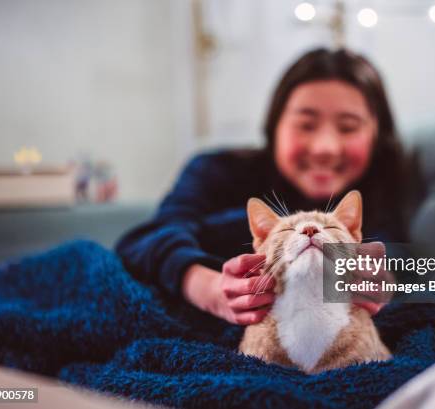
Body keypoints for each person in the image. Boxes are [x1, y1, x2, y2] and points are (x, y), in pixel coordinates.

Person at [115, 47, 408, 325]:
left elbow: (392, 259)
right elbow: (153, 236)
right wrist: (211, 290)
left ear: (377, 136)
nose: (325, 147)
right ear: (274, 126)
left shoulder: (381, 186)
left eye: (348, 128)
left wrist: (379, 282)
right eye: (306, 125)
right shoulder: (214, 169)